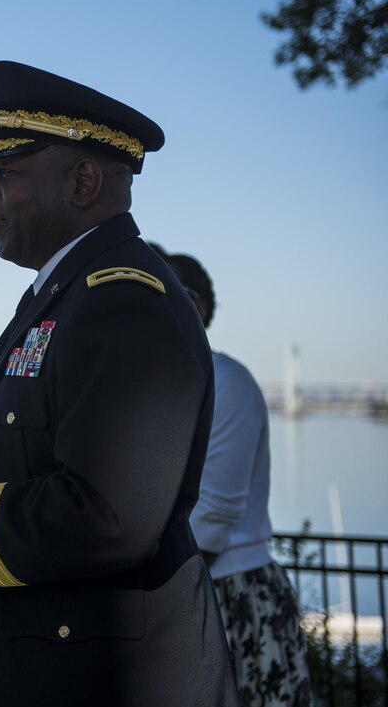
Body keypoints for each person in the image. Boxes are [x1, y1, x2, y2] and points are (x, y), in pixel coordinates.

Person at [0, 61, 239, 706]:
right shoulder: (68, 295)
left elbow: (109, 515)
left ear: (84, 180)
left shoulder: (122, 300)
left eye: (6, 174)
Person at [152, 245, 312, 707]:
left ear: (193, 306)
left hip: (228, 592)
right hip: (187, 588)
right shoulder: (162, 386)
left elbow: (214, 522)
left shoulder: (227, 380)